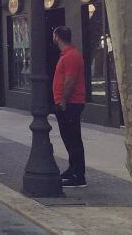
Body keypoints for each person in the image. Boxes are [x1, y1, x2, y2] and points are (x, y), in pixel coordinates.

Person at [53, 26, 87, 188]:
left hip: (71, 103)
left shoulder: (72, 56)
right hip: (67, 103)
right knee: (69, 138)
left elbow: (70, 80)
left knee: (73, 139)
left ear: (57, 37)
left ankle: (78, 175)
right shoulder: (66, 55)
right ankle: (73, 169)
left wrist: (63, 102)